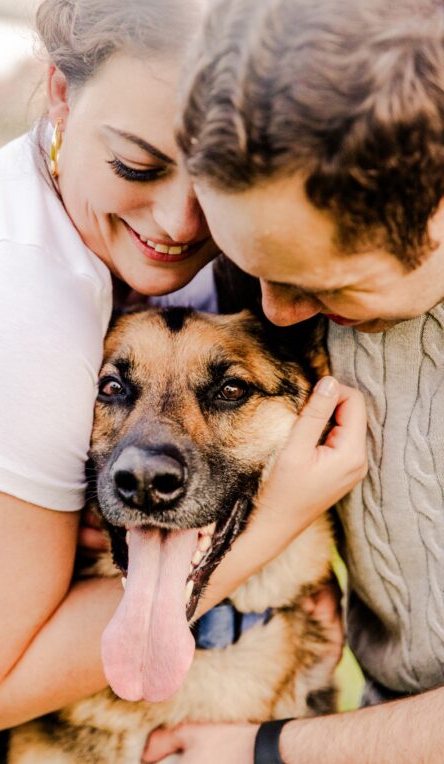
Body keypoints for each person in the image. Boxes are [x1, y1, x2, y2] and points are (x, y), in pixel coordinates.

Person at [0, 0, 366, 736]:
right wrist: (280, 519)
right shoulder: (9, 293)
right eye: (137, 165)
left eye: (216, 181)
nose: (179, 223)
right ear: (61, 97)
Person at [139, 0, 444, 761]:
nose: (273, 311)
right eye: (252, 270)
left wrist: (268, 749)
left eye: (324, 288)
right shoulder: (284, 266)